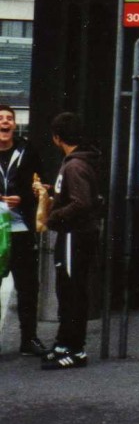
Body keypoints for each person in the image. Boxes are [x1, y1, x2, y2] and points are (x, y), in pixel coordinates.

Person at [32, 112, 103, 370]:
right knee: (67, 291)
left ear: (56, 137)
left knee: (72, 293)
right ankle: (64, 344)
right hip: (74, 235)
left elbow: (81, 203)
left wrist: (52, 217)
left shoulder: (74, 165)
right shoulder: (77, 163)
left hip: (75, 235)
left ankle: (75, 350)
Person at [0, 104, 49, 357]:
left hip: (20, 229)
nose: (5, 122)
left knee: (28, 287)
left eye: (9, 118)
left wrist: (24, 199)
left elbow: (40, 186)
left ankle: (28, 339)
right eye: (1, 118)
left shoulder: (27, 151)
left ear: (14, 125)